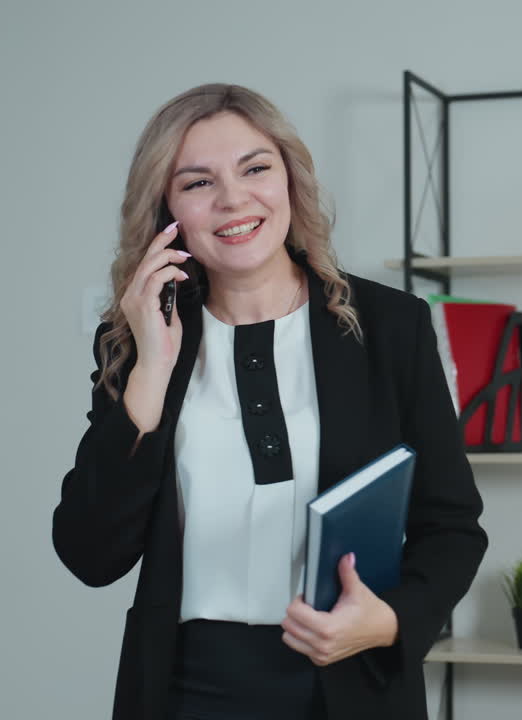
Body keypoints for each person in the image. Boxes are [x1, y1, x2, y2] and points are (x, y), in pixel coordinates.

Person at [51, 83, 488, 720]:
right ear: (165, 212)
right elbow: (90, 554)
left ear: (289, 181)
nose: (233, 198)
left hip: (351, 684)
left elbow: (451, 524)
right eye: (197, 182)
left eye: (255, 168)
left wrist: (391, 620)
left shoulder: (391, 326)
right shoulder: (139, 340)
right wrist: (151, 368)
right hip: (185, 690)